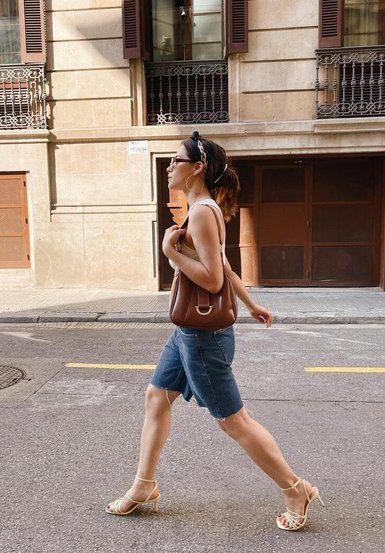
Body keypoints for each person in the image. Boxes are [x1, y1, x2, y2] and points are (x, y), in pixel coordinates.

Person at [106, 131, 324, 531]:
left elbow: (210, 279)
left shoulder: (203, 212)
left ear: (197, 167)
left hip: (202, 337)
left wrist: (170, 253)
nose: (169, 167)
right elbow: (223, 268)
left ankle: (296, 489)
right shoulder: (201, 209)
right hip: (186, 332)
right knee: (156, 396)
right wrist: (251, 303)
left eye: (176, 160)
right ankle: (144, 485)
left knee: (233, 421)